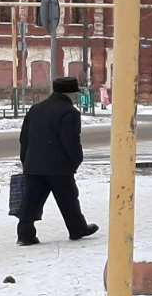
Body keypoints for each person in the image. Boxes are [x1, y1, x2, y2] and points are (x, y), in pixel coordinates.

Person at [17, 76, 99, 247]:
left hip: (34, 164)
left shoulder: (36, 109)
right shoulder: (69, 112)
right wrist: (75, 160)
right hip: (59, 166)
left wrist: (26, 160)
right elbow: (71, 141)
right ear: (71, 93)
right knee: (68, 199)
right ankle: (77, 229)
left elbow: (24, 138)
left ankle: (25, 234)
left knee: (31, 200)